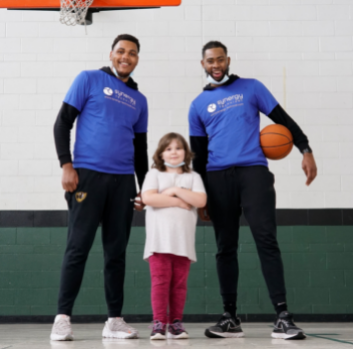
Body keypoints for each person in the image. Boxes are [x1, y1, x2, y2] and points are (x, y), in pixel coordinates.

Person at [188, 41, 317, 340]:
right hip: (218, 179)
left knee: (266, 239)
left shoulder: (251, 87)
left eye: (220, 59)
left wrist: (305, 149)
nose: (216, 64)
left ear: (228, 60)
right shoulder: (197, 105)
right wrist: (202, 195)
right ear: (203, 64)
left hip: (253, 173)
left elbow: (282, 120)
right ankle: (229, 317)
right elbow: (199, 155)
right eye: (210, 60)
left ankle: (283, 316)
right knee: (225, 247)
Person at [51, 34, 148, 341]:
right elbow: (62, 122)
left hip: (123, 183)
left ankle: (114, 320)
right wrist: (67, 164)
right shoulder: (89, 79)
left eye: (132, 53)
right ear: (111, 54)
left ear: (136, 59)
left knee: (116, 253)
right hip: (87, 177)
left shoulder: (140, 100)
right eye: (121, 51)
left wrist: (144, 187)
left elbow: (141, 149)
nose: (126, 57)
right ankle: (63, 318)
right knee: (77, 247)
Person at [141, 133, 207, 340]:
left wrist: (174, 190)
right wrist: (178, 201)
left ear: (186, 153)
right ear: (161, 154)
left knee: (179, 284)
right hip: (159, 242)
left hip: (183, 243)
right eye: (168, 149)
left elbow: (200, 200)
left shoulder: (193, 177)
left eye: (178, 148)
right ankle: (159, 322)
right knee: (160, 282)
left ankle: (176, 322)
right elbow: (148, 198)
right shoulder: (154, 174)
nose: (174, 152)